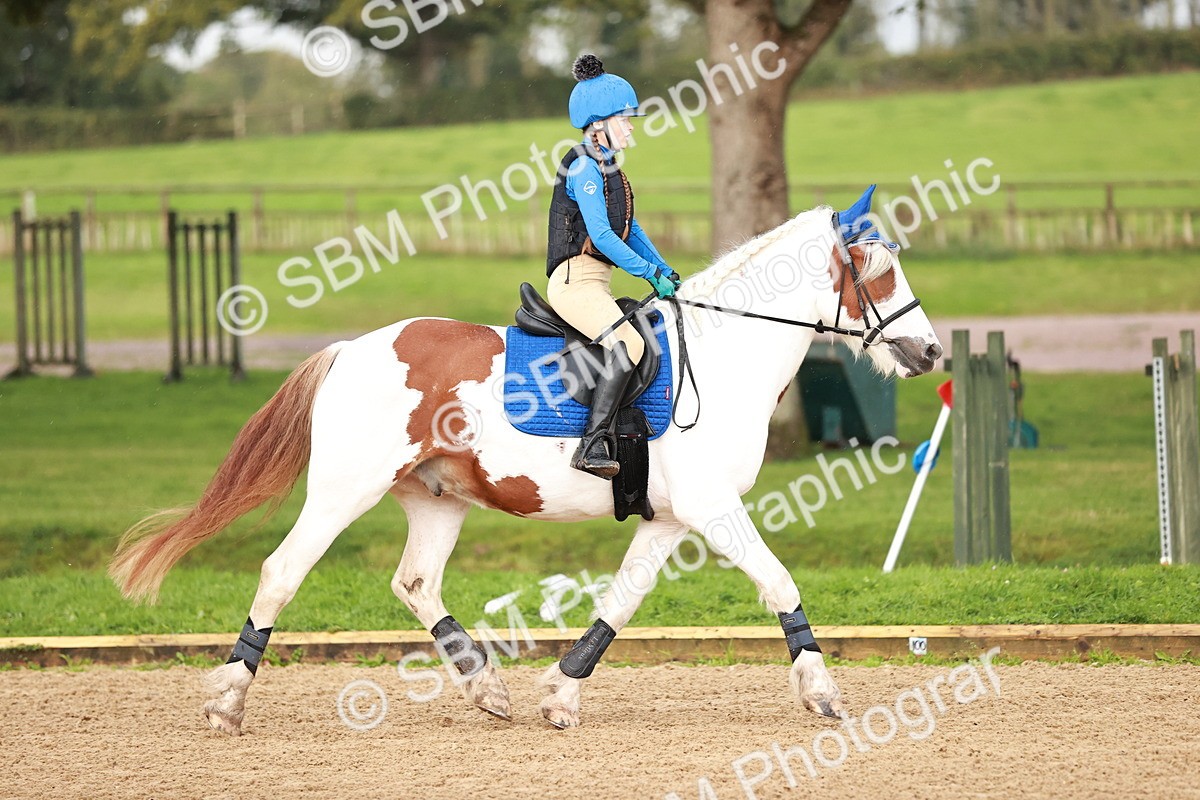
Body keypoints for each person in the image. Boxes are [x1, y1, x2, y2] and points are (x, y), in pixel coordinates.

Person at [546, 54, 681, 480]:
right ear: (599, 123)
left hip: (596, 283)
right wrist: (647, 273)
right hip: (575, 283)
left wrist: (664, 268)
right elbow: (603, 237)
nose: (632, 126)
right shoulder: (584, 166)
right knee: (629, 345)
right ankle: (591, 444)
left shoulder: (610, 168)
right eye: (625, 119)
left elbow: (630, 228)